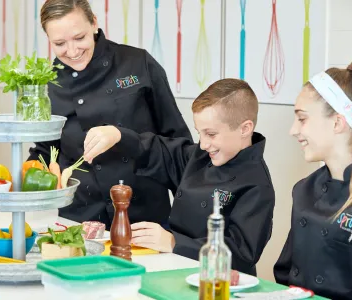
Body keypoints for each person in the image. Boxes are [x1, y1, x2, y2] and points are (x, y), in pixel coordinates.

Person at [83, 78, 275, 276]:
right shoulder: (199, 157)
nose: (203, 144)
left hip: (220, 283)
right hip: (177, 267)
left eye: (211, 134)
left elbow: (241, 254)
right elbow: (160, 150)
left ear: (245, 128)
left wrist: (174, 243)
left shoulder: (257, 185)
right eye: (200, 133)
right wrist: (119, 136)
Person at [28, 0, 192, 227]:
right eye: (59, 43)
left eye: (79, 38)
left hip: (145, 219)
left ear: (94, 23)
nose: (73, 51)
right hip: (78, 221)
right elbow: (48, 150)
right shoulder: (48, 81)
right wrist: (20, 182)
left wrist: (186, 229)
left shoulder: (138, 64)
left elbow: (179, 146)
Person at [274, 61, 352, 299]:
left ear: (337, 122)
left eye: (302, 119)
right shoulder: (303, 191)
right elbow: (284, 276)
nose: (293, 130)